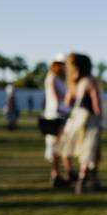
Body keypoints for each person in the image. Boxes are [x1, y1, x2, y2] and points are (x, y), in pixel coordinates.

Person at [58, 53, 102, 194]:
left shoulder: (73, 83)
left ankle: (83, 178)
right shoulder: (90, 81)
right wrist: (100, 118)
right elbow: (96, 106)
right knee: (88, 151)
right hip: (89, 119)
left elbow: (66, 104)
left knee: (75, 149)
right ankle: (82, 181)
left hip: (75, 118)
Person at [43, 54, 69, 187]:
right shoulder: (52, 78)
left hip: (60, 114)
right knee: (56, 146)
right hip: (55, 116)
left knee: (59, 146)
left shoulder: (59, 79)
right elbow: (57, 97)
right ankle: (56, 175)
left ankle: (59, 174)